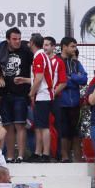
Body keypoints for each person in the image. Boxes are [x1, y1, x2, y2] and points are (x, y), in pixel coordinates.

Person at [0, 27, 33, 162]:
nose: (17, 42)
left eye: (19, 39)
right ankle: (9, 157)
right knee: (7, 126)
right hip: (4, 94)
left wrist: (30, 85)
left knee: (20, 125)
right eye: (14, 39)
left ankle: (20, 156)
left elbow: (37, 67)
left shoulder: (26, 50)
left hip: (21, 94)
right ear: (7, 40)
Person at [28, 34, 66, 162]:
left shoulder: (39, 56)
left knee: (44, 126)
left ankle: (45, 153)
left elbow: (38, 78)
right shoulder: (42, 56)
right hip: (43, 95)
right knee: (39, 126)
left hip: (43, 95)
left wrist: (31, 93)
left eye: (29, 42)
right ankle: (38, 153)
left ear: (32, 42)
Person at [56, 36, 88, 162]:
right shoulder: (56, 61)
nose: (75, 49)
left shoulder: (76, 63)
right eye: (72, 46)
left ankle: (78, 160)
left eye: (75, 46)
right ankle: (64, 158)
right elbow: (58, 80)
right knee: (63, 132)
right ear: (64, 47)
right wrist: (73, 79)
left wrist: (71, 77)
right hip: (61, 102)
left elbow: (84, 79)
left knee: (75, 132)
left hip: (75, 102)